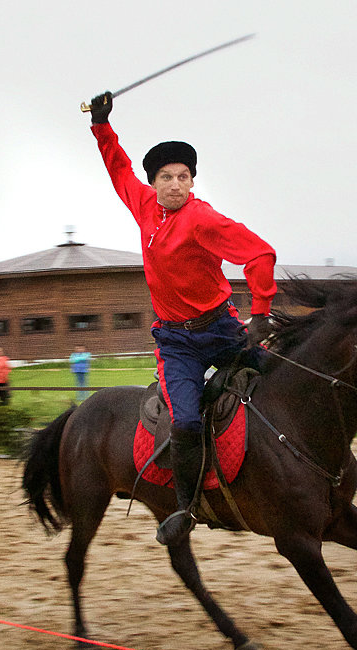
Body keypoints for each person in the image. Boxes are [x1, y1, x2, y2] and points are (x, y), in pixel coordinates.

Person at [88, 90, 277, 545]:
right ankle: (186, 509)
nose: (175, 184)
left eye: (184, 177)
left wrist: (262, 314)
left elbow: (260, 253)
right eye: (167, 177)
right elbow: (117, 167)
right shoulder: (143, 207)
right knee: (187, 422)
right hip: (176, 343)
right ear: (154, 184)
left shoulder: (202, 219)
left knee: (280, 376)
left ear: (193, 183)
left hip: (222, 328)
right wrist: (100, 124)